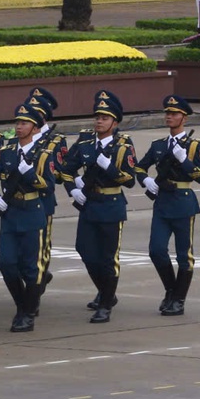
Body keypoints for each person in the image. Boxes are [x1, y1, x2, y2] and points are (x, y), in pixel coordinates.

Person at [61, 90, 137, 323]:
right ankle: (107, 292)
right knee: (84, 250)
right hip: (89, 204)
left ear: (114, 122)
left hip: (111, 204)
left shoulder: (123, 145)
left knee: (107, 257)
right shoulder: (84, 141)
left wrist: (109, 167)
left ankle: (105, 304)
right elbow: (66, 168)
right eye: (97, 117)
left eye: (104, 118)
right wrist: (73, 189)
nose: (99, 121)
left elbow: (130, 179)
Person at [0, 95, 61, 332]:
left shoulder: (43, 154)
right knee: (5, 262)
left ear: (35, 127)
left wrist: (31, 174)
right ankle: (24, 303)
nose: (19, 126)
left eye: (24, 123)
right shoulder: (7, 150)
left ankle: (27, 313)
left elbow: (49, 186)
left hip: (33, 211)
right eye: (18, 122)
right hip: (11, 211)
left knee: (31, 266)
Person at [139, 94, 200, 316]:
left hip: (184, 203)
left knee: (184, 255)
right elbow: (139, 168)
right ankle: (170, 289)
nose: (169, 117)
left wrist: (184, 159)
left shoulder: (195, 145)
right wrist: (146, 180)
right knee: (156, 250)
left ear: (184, 118)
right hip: (162, 203)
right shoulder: (158, 145)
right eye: (167, 113)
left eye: (174, 114)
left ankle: (179, 299)